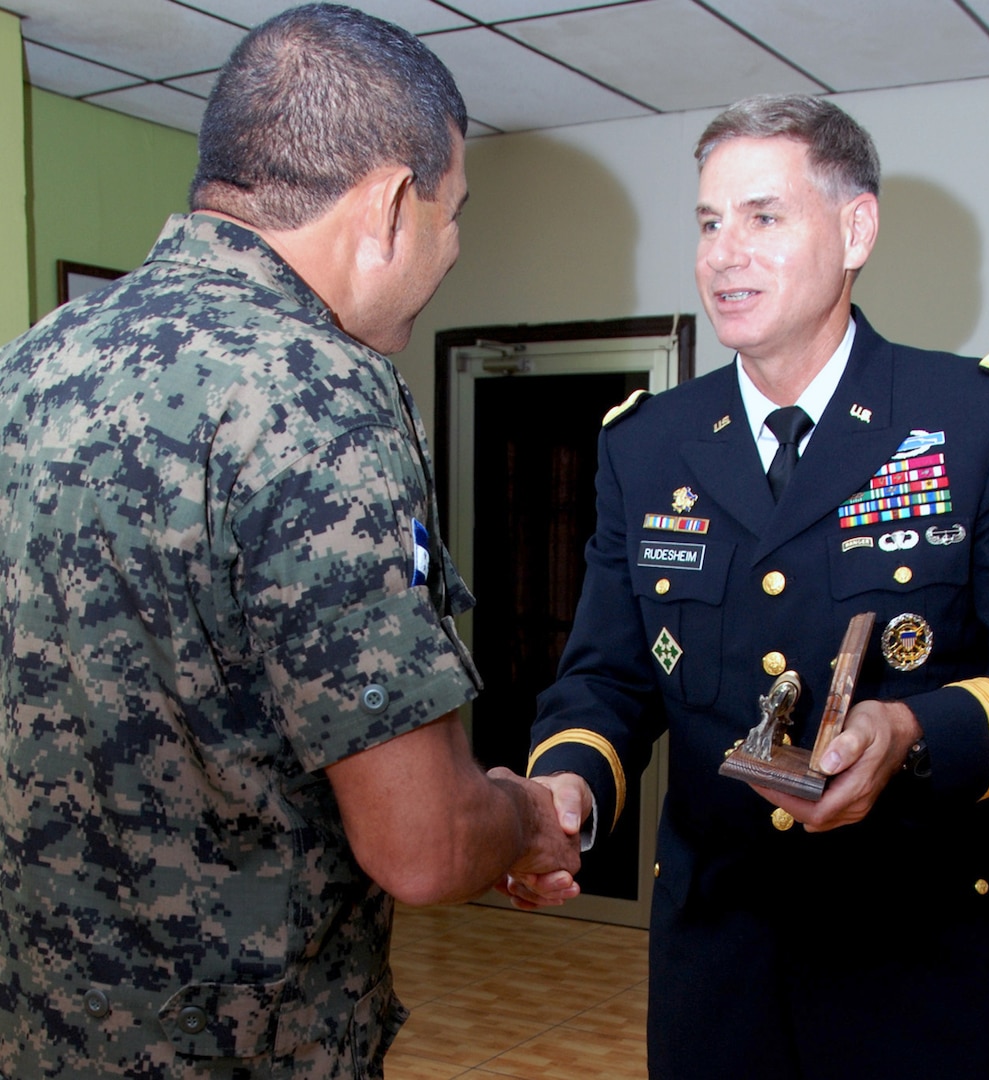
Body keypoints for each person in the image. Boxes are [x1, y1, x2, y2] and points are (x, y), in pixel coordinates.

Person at [0, 6, 580, 1078]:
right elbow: (424, 843)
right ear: (392, 205)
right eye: (454, 213)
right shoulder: (319, 389)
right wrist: (526, 817)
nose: (453, 248)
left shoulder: (30, 366)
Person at [516, 94, 989, 1078]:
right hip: (719, 966)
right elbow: (608, 680)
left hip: (921, 964)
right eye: (709, 222)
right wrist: (568, 787)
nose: (723, 253)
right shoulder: (647, 444)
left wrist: (910, 733)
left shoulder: (975, 420)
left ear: (855, 229)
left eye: (763, 216)